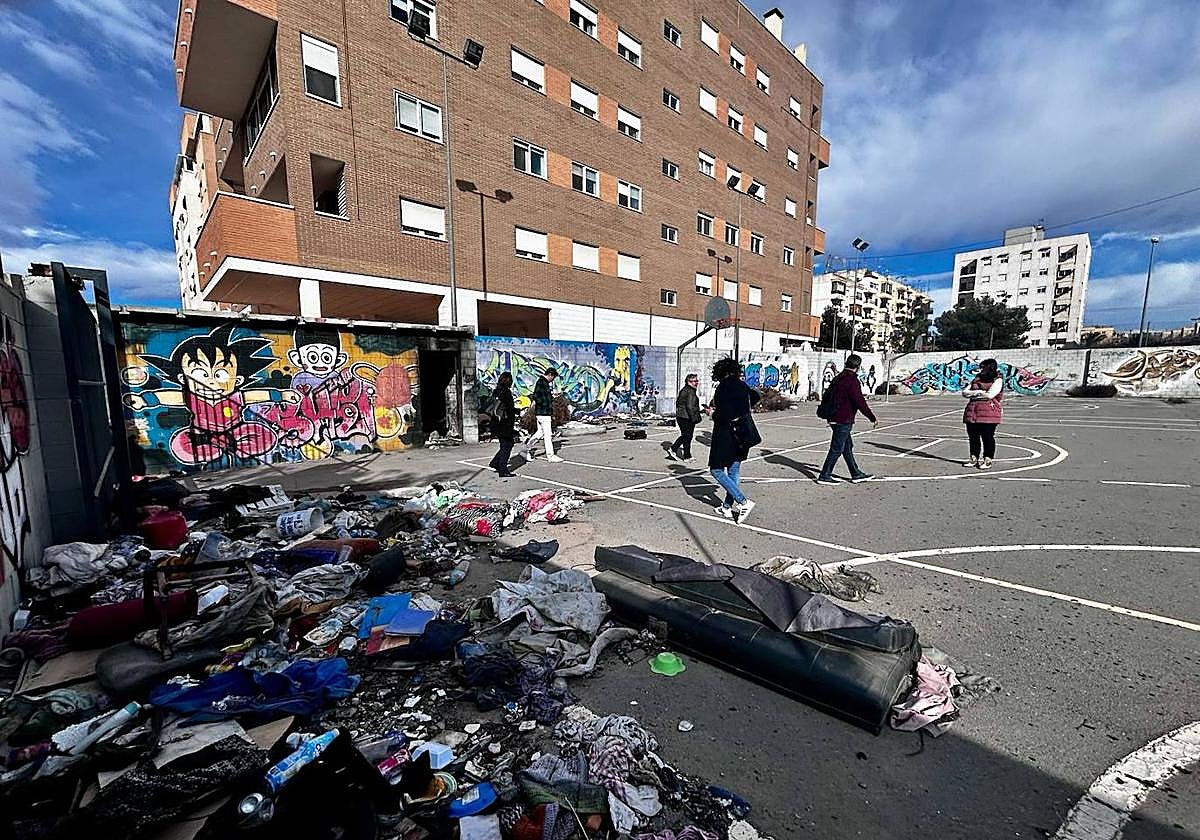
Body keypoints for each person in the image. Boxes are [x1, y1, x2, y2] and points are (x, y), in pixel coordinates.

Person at [708, 358, 760, 523]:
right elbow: (755, 396)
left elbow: (724, 415)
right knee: (734, 471)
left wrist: (712, 414)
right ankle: (726, 507)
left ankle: (743, 501)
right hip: (743, 432)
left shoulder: (723, 387)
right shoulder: (742, 385)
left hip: (726, 434)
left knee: (716, 470)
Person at [816, 354, 877, 485]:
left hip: (833, 417)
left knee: (847, 446)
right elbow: (859, 401)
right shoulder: (851, 380)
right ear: (858, 367)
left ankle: (856, 473)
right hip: (843, 419)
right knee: (837, 448)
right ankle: (824, 475)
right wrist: (872, 418)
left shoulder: (838, 377)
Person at [962, 358, 1003, 469]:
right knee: (973, 437)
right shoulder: (976, 379)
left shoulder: (997, 380)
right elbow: (965, 392)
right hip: (972, 411)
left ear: (990, 368)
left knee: (987, 437)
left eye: (983, 367)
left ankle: (987, 459)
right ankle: (973, 458)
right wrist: (978, 392)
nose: (981, 370)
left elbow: (990, 395)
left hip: (989, 412)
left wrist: (974, 394)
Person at [524, 367, 563, 462]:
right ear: (550, 375)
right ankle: (550, 455)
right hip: (544, 412)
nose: (552, 380)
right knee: (548, 434)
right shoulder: (542, 383)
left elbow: (542, 396)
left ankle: (526, 449)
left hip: (542, 412)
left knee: (540, 433)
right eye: (553, 378)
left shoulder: (542, 383)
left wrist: (551, 396)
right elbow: (537, 397)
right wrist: (547, 401)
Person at [487, 372, 517, 477]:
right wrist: (517, 411)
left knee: (506, 444)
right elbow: (509, 409)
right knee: (507, 445)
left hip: (496, 422)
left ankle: (496, 462)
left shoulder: (496, 391)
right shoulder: (506, 393)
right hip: (504, 423)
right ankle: (503, 469)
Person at [669, 373, 703, 461]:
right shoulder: (690, 391)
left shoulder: (685, 390)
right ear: (689, 382)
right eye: (694, 381)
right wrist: (694, 418)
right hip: (686, 417)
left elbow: (678, 403)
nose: (696, 383)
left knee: (687, 436)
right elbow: (690, 406)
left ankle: (687, 456)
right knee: (686, 436)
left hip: (682, 416)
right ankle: (673, 449)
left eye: (697, 381)